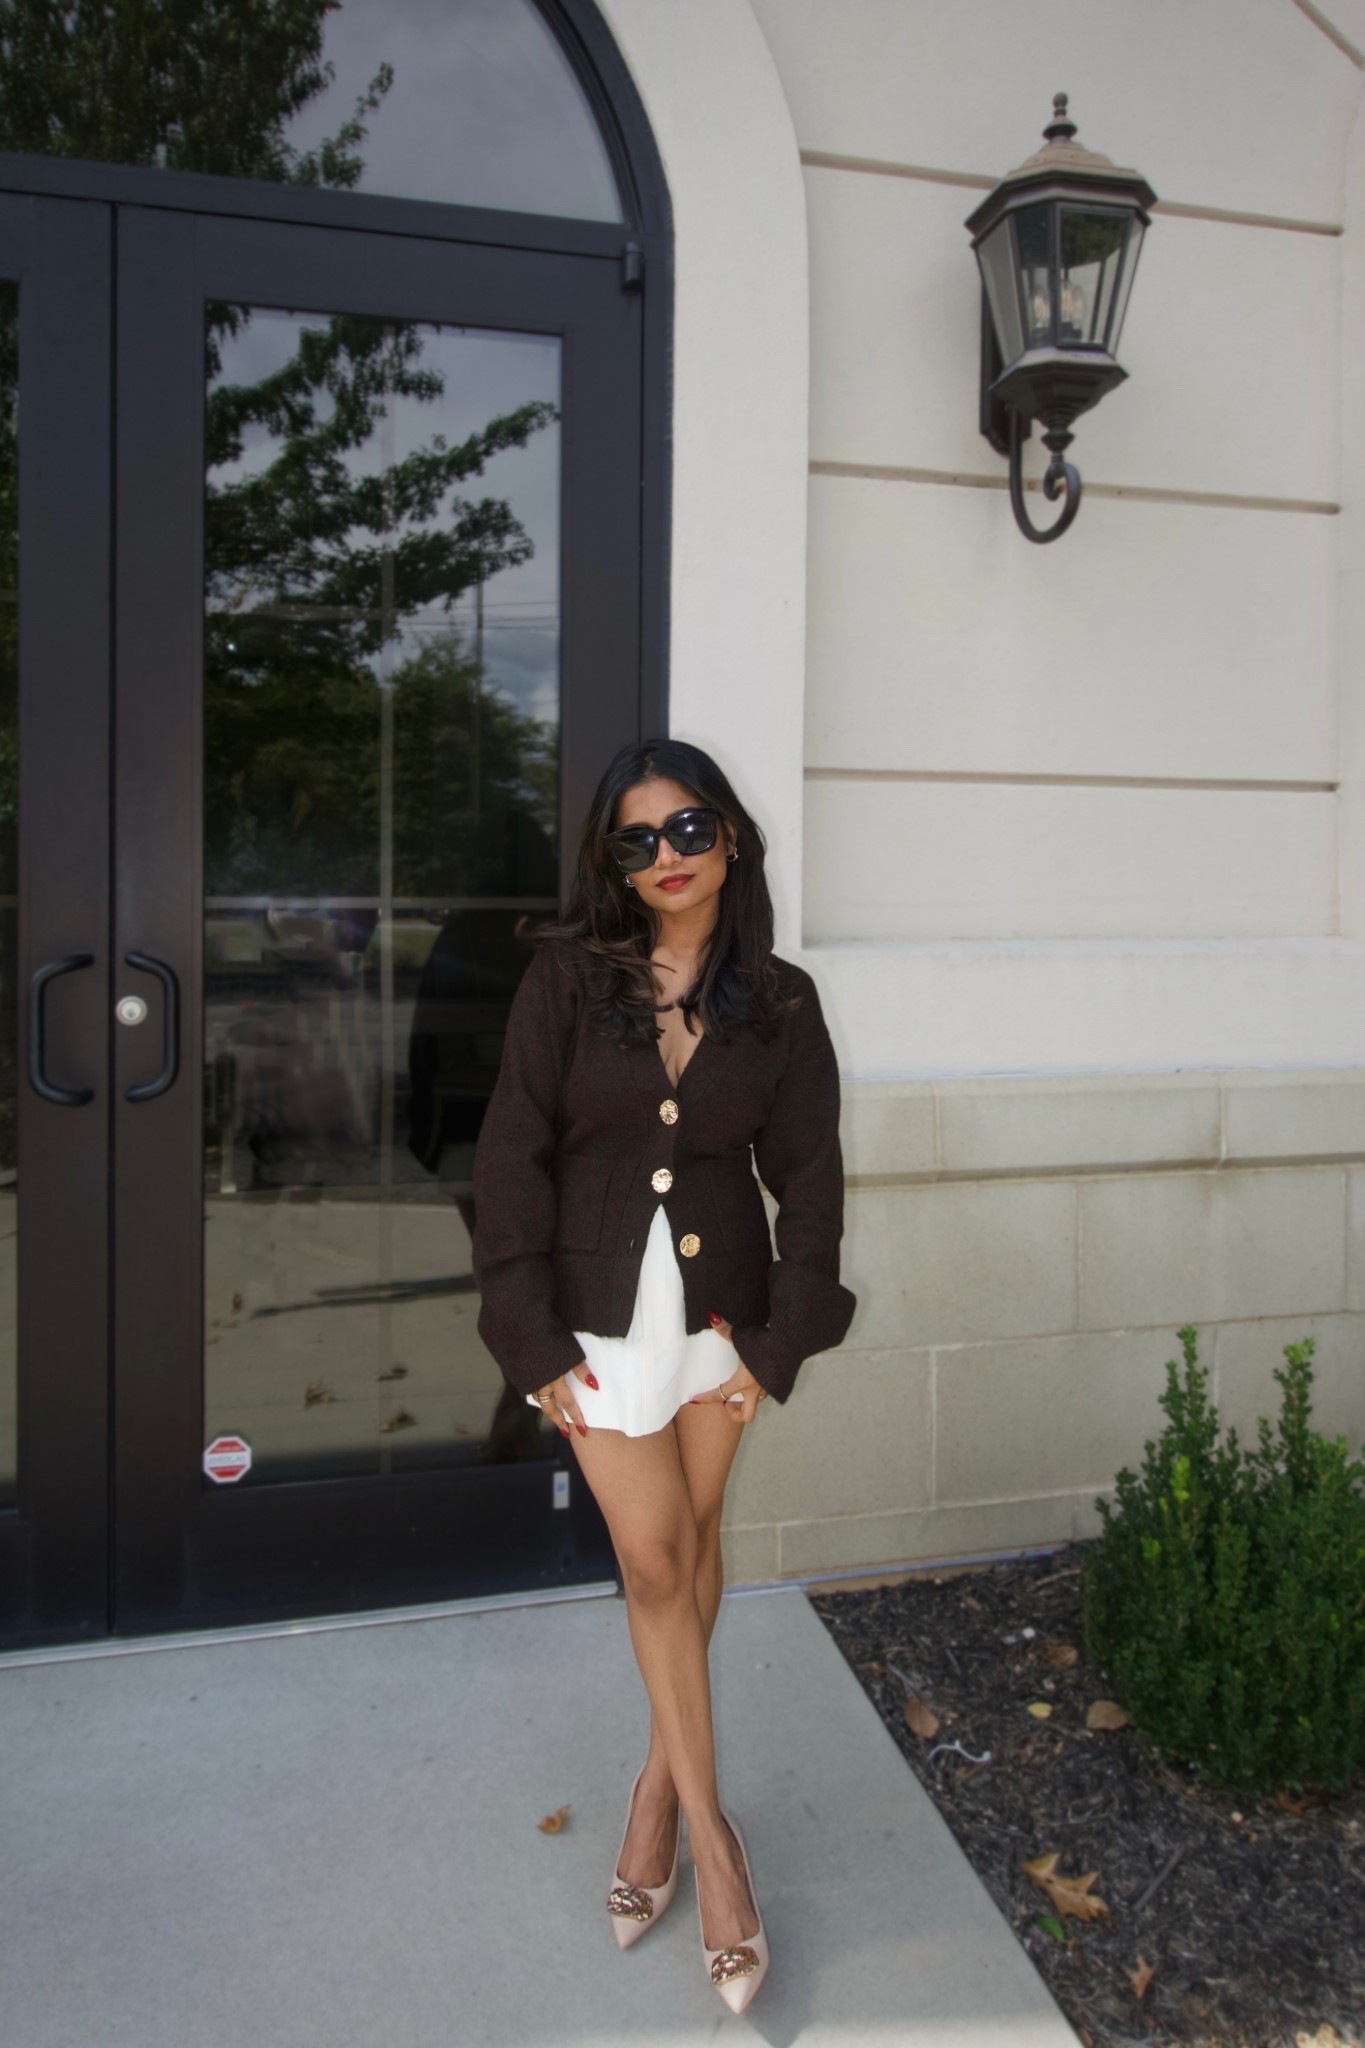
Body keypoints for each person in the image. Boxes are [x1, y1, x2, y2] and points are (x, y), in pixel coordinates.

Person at [470, 737, 856, 2015]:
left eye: (687, 828)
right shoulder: (565, 985)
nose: (667, 857)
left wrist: (777, 1339)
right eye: (636, 840)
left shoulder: (783, 1001)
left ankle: (652, 1789)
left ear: (730, 835)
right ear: (611, 862)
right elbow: (511, 1157)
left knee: (692, 1544)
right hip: (594, 1323)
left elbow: (810, 1179)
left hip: (720, 1319)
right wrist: (527, 1339)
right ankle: (717, 1843)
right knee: (650, 1555)